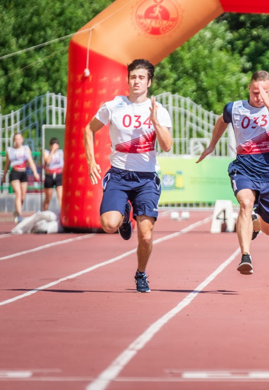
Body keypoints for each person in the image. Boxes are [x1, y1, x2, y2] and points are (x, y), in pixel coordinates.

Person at [84, 59, 173, 293]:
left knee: (145, 235)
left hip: (146, 179)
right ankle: (124, 217)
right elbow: (88, 129)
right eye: (133, 77)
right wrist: (91, 160)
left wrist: (155, 122)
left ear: (149, 82)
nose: (137, 81)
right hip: (120, 176)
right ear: (128, 80)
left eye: (141, 77)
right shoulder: (114, 106)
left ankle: (141, 274)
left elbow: (167, 146)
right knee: (108, 225)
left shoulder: (159, 110)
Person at [197, 71, 269, 275]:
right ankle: (245, 255)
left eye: (263, 92)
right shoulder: (235, 108)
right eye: (255, 92)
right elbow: (222, 120)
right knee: (246, 203)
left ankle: (256, 225)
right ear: (249, 88)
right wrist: (212, 145)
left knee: (268, 229)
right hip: (244, 167)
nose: (258, 97)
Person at [2, 132, 40, 223]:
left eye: (19, 139)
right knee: (18, 194)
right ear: (14, 140)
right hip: (14, 173)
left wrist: (35, 172)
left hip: (23, 173)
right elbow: (7, 164)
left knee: (22, 196)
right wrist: (4, 176)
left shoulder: (26, 149)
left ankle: (17, 211)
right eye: (16, 139)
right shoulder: (10, 150)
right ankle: (19, 215)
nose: (17, 141)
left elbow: (30, 161)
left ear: (22, 140)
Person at [42, 137, 64, 212]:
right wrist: (52, 151)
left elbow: (63, 164)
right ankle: (44, 212)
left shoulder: (61, 152)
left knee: (60, 196)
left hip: (58, 175)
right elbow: (47, 161)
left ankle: (62, 214)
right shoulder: (46, 152)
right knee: (48, 196)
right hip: (49, 175)